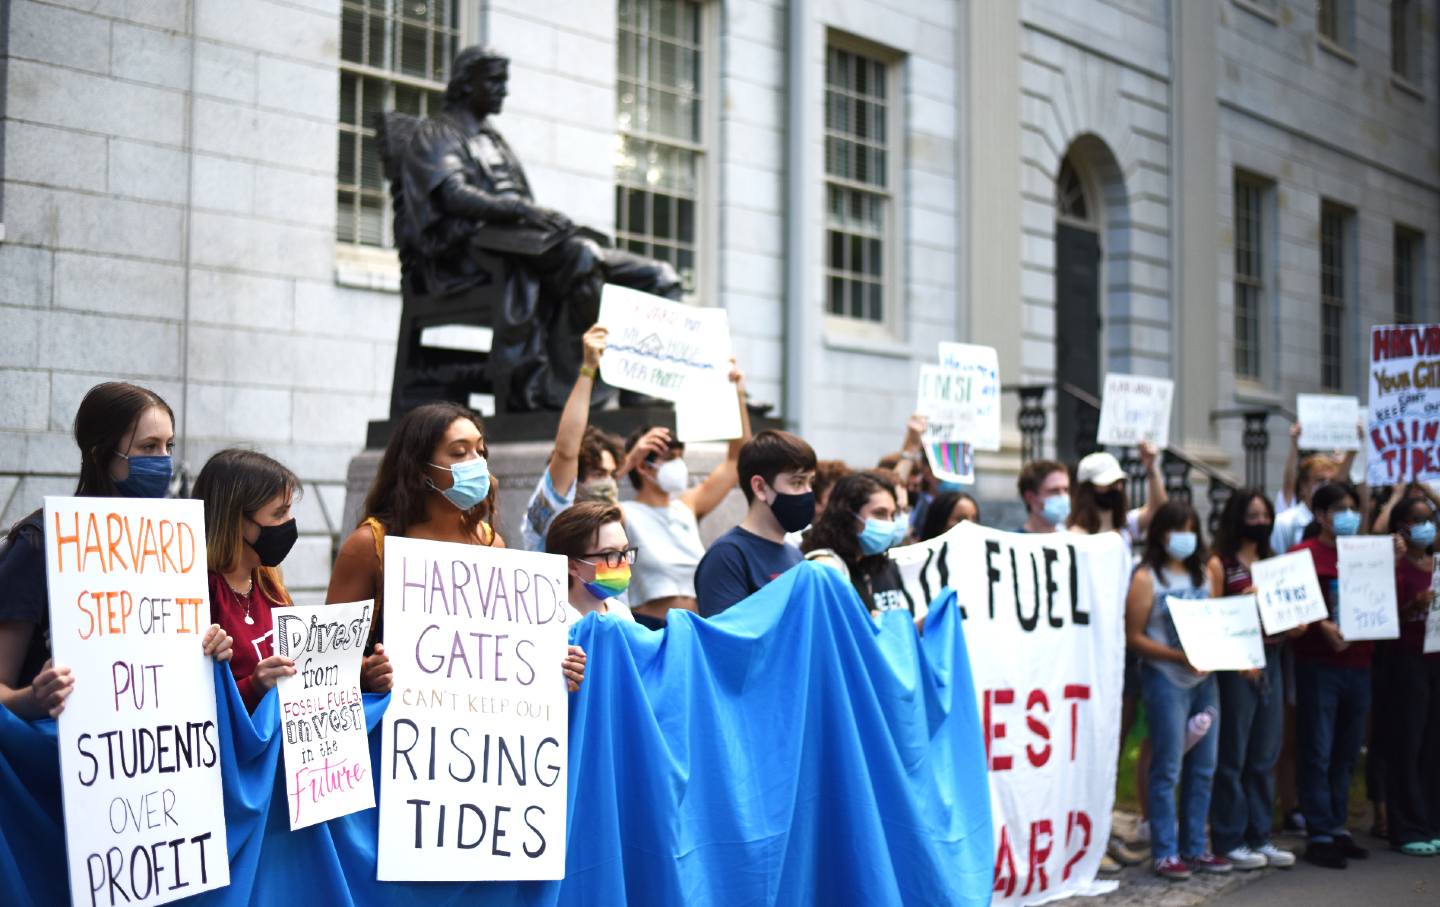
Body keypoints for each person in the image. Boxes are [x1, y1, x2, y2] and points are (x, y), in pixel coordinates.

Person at [0, 382, 232, 720]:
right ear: (101, 454)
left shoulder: (171, 542)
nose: (164, 461)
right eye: (148, 447)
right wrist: (33, 700)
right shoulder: (40, 542)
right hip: (52, 754)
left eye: (169, 446)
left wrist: (208, 650)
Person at [327, 402, 585, 693]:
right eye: (460, 452)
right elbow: (327, 655)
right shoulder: (369, 544)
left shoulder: (490, 544)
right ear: (420, 468)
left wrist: (555, 663)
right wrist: (367, 672)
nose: (476, 463)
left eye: (480, 451)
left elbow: (500, 647)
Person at [1125, 500, 1228, 880]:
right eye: (1175, 530)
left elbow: (1215, 618)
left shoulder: (1206, 572)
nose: (1183, 538)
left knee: (1204, 767)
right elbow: (1133, 636)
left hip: (1204, 680)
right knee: (1167, 766)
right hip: (1165, 680)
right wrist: (1174, 655)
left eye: (1189, 528)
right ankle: (1166, 850)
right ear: (1160, 535)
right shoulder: (1145, 577)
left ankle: (1196, 846)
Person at [1205, 489, 1299, 870]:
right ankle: (1229, 837)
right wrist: (1245, 600)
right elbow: (1211, 617)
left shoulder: (1275, 563)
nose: (1260, 522)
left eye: (1265, 515)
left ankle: (1260, 834)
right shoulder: (1220, 564)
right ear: (1236, 518)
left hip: (1273, 658)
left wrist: (1296, 621)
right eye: (1252, 515)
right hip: (1237, 665)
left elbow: (1290, 613)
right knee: (1233, 753)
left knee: (1265, 752)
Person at [620, 365, 750, 628]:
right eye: (668, 458)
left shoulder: (687, 505)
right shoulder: (623, 513)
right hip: (649, 628)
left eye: (679, 457)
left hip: (696, 627)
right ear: (643, 466)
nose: (677, 465)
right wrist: (626, 461)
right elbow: (588, 509)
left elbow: (738, 459)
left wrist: (737, 396)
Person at [1288, 482, 1372, 869]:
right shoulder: (1301, 556)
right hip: (1319, 666)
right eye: (1340, 509)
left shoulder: (1366, 554)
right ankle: (1319, 832)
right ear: (1320, 516)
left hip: (1359, 664)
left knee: (1346, 752)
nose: (1349, 516)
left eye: (1354, 508)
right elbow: (1288, 605)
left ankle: (1338, 827)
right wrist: (1322, 625)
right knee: (1318, 751)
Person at [519, 324, 655, 550]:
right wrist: (588, 369)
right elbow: (566, 451)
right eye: (599, 473)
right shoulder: (549, 517)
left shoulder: (606, 525)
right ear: (575, 480)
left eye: (613, 475)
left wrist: (630, 461)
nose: (610, 483)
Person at [193, 449, 304, 711]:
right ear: (236, 521)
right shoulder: (201, 594)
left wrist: (362, 674)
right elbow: (194, 704)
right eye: (279, 514)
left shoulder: (269, 585)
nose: (289, 523)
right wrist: (254, 686)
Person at [694, 430, 817, 618]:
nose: (807, 492)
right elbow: (724, 638)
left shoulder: (795, 555)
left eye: (810, 482)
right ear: (760, 487)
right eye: (797, 482)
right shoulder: (727, 556)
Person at [1380, 493, 1440, 856]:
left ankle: (1431, 820)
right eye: (1419, 519)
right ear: (1402, 527)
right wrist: (1410, 606)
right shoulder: (1396, 567)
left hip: (1436, 660)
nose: (1427, 526)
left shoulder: (1435, 564)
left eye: (1430, 518)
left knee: (1433, 744)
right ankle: (1405, 826)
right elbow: (1380, 614)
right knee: (1407, 743)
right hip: (1405, 662)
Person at [801, 471, 912, 616]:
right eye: (879, 513)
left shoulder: (864, 563)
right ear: (848, 515)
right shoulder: (827, 566)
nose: (890, 523)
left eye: (892, 515)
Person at [544, 502, 636, 623]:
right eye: (610, 554)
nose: (623, 562)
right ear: (572, 566)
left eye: (625, 551)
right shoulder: (555, 624)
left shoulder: (621, 613)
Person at [1068, 442, 1166, 549]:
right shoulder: (1075, 535)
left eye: (1119, 482)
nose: (1117, 488)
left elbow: (1159, 509)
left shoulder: (1126, 526)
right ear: (1088, 489)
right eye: (1109, 483)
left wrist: (1150, 467)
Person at [1016, 458, 1070, 534]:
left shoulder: (1073, 541)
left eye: (1066, 490)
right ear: (1030, 497)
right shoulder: (1012, 543)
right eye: (1054, 491)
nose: (1063, 496)